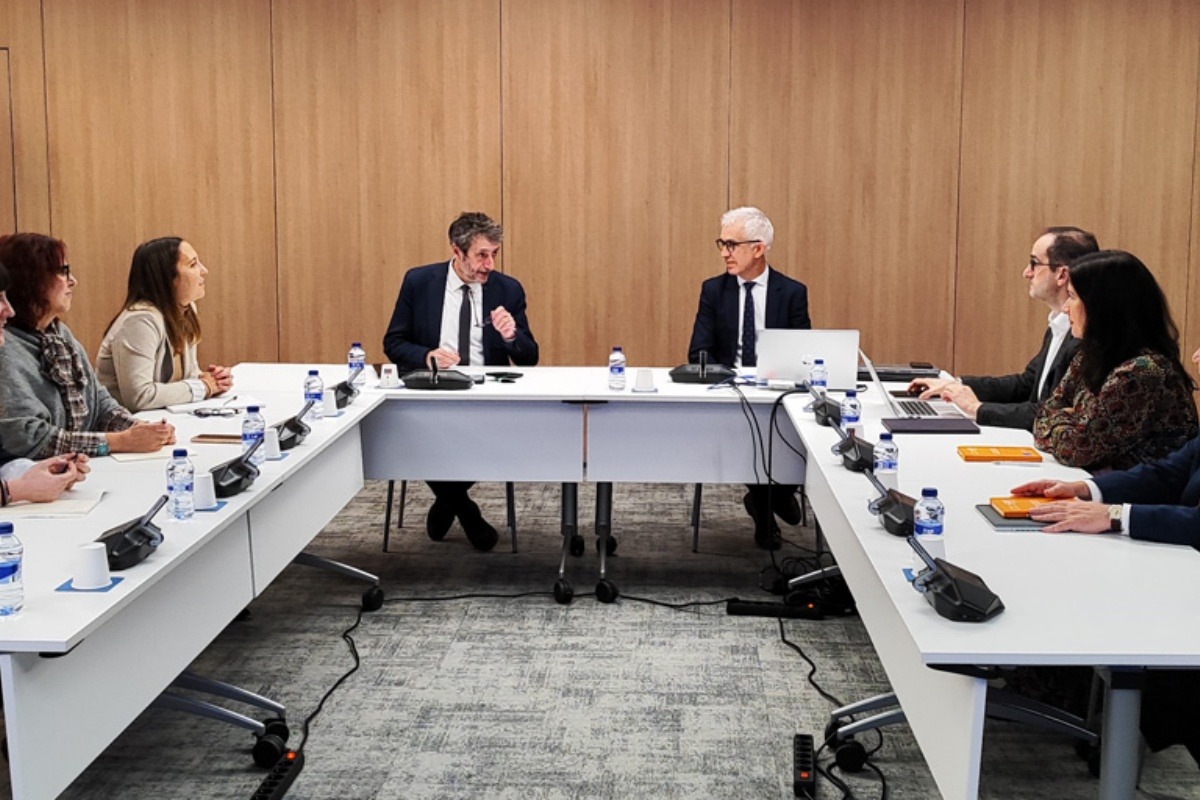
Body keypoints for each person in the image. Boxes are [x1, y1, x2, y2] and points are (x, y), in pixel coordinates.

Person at [382, 212, 538, 551]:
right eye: (481, 255)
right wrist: (427, 356)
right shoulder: (419, 282)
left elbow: (530, 358)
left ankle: (446, 500)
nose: (489, 264)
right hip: (433, 391)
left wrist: (512, 336)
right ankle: (466, 510)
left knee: (494, 439)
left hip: (487, 397)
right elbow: (393, 343)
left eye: (494, 254)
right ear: (457, 251)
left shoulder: (507, 289)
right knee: (413, 435)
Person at [686, 206, 810, 549]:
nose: (724, 253)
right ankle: (769, 503)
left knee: (793, 435)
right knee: (744, 430)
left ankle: (765, 499)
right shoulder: (714, 290)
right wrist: (727, 377)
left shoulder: (792, 292)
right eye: (722, 244)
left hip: (777, 391)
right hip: (730, 392)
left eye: (732, 245)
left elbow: (802, 353)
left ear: (758, 248)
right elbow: (698, 351)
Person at [0, 233, 175, 458]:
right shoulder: (5, 347)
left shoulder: (59, 334)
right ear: (30, 279)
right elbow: (26, 438)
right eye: (62, 271)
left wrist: (139, 428)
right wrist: (119, 441)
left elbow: (98, 403)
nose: (73, 281)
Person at [911, 227, 1098, 429]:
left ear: (1062, 274)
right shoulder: (1058, 324)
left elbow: (1053, 413)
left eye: (1034, 263)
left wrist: (977, 409)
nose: (1026, 273)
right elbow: (1026, 384)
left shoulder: (1084, 336)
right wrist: (955, 385)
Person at [1030, 250, 1196, 472]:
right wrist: (1066, 419)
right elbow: (1046, 409)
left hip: (1137, 490)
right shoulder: (1089, 354)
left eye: (1072, 297)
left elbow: (1078, 449)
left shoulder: (1142, 371)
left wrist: (1063, 418)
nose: (1065, 308)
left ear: (1103, 306)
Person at [96, 237, 233, 411]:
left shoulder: (185, 308)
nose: (204, 270)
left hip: (159, 419)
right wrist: (203, 387)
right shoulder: (140, 320)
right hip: (127, 422)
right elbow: (139, 397)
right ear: (168, 278)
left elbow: (187, 377)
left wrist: (212, 380)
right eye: (193, 265)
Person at [0, 260, 89, 505]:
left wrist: (36, 472)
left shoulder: (60, 334)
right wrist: (14, 490)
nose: (9, 311)